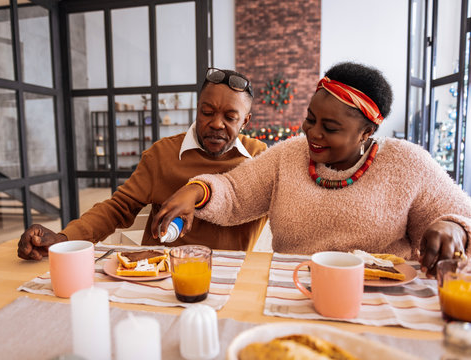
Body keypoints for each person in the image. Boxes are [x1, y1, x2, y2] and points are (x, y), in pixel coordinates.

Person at [152, 62, 471, 276]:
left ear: (366, 132)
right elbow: (235, 192)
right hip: (292, 290)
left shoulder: (407, 164)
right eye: (311, 119)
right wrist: (196, 190)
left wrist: (453, 228)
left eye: (330, 127)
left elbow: (461, 218)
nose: (313, 133)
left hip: (380, 298)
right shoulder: (289, 156)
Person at [17, 68, 268, 261]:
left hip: (230, 274)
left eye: (230, 117)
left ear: (245, 120)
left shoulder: (260, 158)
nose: (216, 123)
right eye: (207, 112)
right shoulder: (162, 154)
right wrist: (63, 239)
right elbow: (118, 208)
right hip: (158, 273)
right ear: (196, 110)